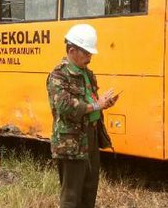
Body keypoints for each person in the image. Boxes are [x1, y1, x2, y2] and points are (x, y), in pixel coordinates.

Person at [46, 24, 118, 208]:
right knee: (71, 196)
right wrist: (97, 104)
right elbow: (64, 106)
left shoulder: (87, 74)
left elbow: (91, 102)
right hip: (71, 142)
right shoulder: (58, 75)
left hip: (90, 138)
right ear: (72, 51)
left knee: (89, 191)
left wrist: (103, 104)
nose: (90, 57)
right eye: (86, 53)